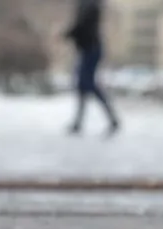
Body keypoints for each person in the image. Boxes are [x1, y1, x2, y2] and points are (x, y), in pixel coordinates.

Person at [64, 0, 119, 136]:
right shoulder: (86, 3)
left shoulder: (90, 4)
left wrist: (68, 34)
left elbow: (83, 25)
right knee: (83, 85)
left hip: (91, 48)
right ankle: (79, 122)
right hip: (87, 48)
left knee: (88, 84)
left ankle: (112, 119)